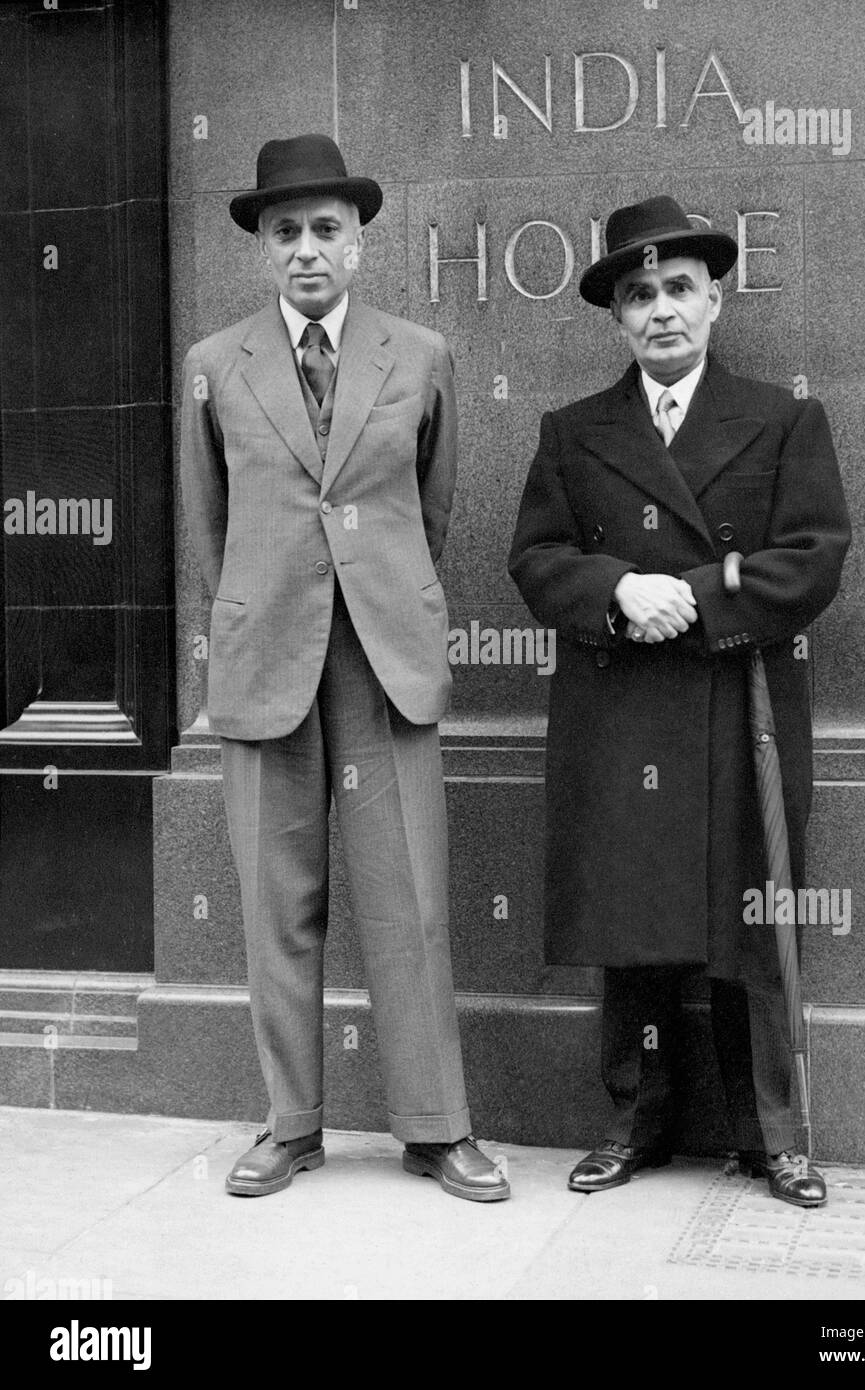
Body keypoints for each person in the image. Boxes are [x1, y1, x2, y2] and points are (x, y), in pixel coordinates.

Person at [181, 134, 509, 1202]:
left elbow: (436, 501)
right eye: (286, 233)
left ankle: (434, 1126)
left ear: (359, 244)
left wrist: (381, 584)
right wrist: (251, 608)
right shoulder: (214, 363)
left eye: (326, 229)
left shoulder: (418, 353)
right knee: (277, 899)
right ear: (262, 252)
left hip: (382, 655)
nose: (307, 249)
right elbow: (209, 523)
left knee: (407, 894)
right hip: (265, 651)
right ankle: (291, 1125)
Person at [508, 195, 851, 1206]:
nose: (659, 310)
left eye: (677, 290)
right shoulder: (571, 433)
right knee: (632, 917)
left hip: (736, 694)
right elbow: (533, 557)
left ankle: (772, 1135)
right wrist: (614, 590)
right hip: (620, 711)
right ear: (616, 317)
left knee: (749, 917)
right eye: (637, 295)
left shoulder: (784, 419)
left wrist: (691, 594)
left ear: (714, 300)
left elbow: (814, 557)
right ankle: (632, 1118)